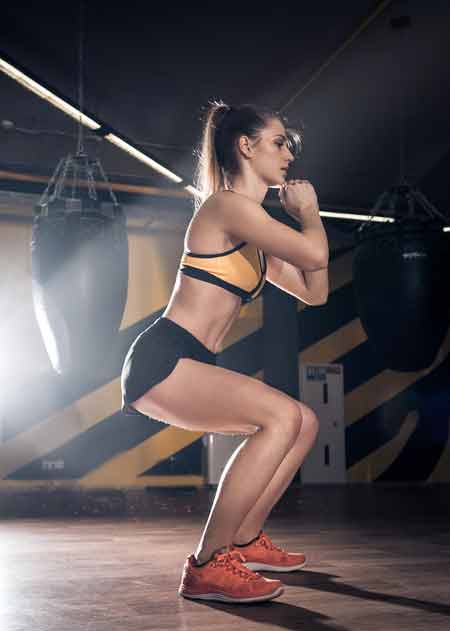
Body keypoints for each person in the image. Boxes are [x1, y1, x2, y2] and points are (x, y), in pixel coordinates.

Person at [120, 100, 329, 603]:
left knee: (303, 421)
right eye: (279, 143)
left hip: (189, 362)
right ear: (246, 146)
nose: (288, 155)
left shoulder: (253, 235)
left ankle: (245, 539)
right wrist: (309, 214)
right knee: (280, 418)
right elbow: (318, 252)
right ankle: (208, 564)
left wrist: (304, 228)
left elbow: (315, 289)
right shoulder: (226, 207)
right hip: (165, 358)